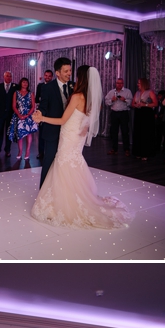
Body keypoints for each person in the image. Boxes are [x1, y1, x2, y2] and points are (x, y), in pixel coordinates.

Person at [32, 65, 134, 229]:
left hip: (69, 136)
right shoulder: (91, 97)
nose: (74, 78)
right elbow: (88, 122)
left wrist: (42, 118)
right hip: (77, 137)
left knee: (64, 164)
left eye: (77, 76)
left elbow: (62, 120)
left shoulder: (77, 96)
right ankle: (74, 197)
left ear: (82, 79)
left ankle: (66, 203)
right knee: (73, 164)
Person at [37, 57, 73, 187]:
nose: (69, 73)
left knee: (65, 161)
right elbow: (43, 106)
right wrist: (40, 113)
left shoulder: (72, 86)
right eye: (66, 71)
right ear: (57, 73)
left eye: (70, 70)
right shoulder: (47, 88)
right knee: (49, 160)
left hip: (69, 131)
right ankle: (43, 190)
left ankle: (63, 188)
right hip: (52, 131)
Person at [9, 77, 38, 161]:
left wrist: (28, 114)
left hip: (28, 115)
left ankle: (28, 151)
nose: (25, 84)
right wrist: (19, 115)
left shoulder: (31, 93)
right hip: (19, 115)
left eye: (26, 82)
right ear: (20, 83)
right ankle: (20, 151)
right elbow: (14, 106)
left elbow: (33, 106)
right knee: (20, 134)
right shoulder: (16, 93)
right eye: (23, 82)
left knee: (29, 133)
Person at [0, 71, 17, 158]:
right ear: (4, 77)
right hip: (0, 113)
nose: (9, 78)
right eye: (7, 76)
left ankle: (8, 150)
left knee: (9, 133)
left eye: (10, 76)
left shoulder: (15, 86)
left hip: (11, 114)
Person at [105, 77, 132, 155]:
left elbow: (131, 103)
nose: (119, 85)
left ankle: (126, 149)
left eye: (121, 83)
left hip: (124, 113)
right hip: (114, 113)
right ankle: (114, 149)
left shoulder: (127, 92)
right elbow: (106, 102)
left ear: (123, 84)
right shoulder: (111, 92)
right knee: (114, 131)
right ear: (115, 83)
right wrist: (112, 100)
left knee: (125, 131)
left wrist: (125, 100)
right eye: (118, 83)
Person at [35, 69, 54, 159]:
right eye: (46, 75)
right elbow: (36, 98)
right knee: (41, 133)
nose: (47, 77)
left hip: (51, 113)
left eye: (49, 76)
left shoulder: (54, 86)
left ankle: (50, 152)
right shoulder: (40, 86)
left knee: (50, 134)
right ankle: (41, 152)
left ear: (52, 77)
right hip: (42, 112)